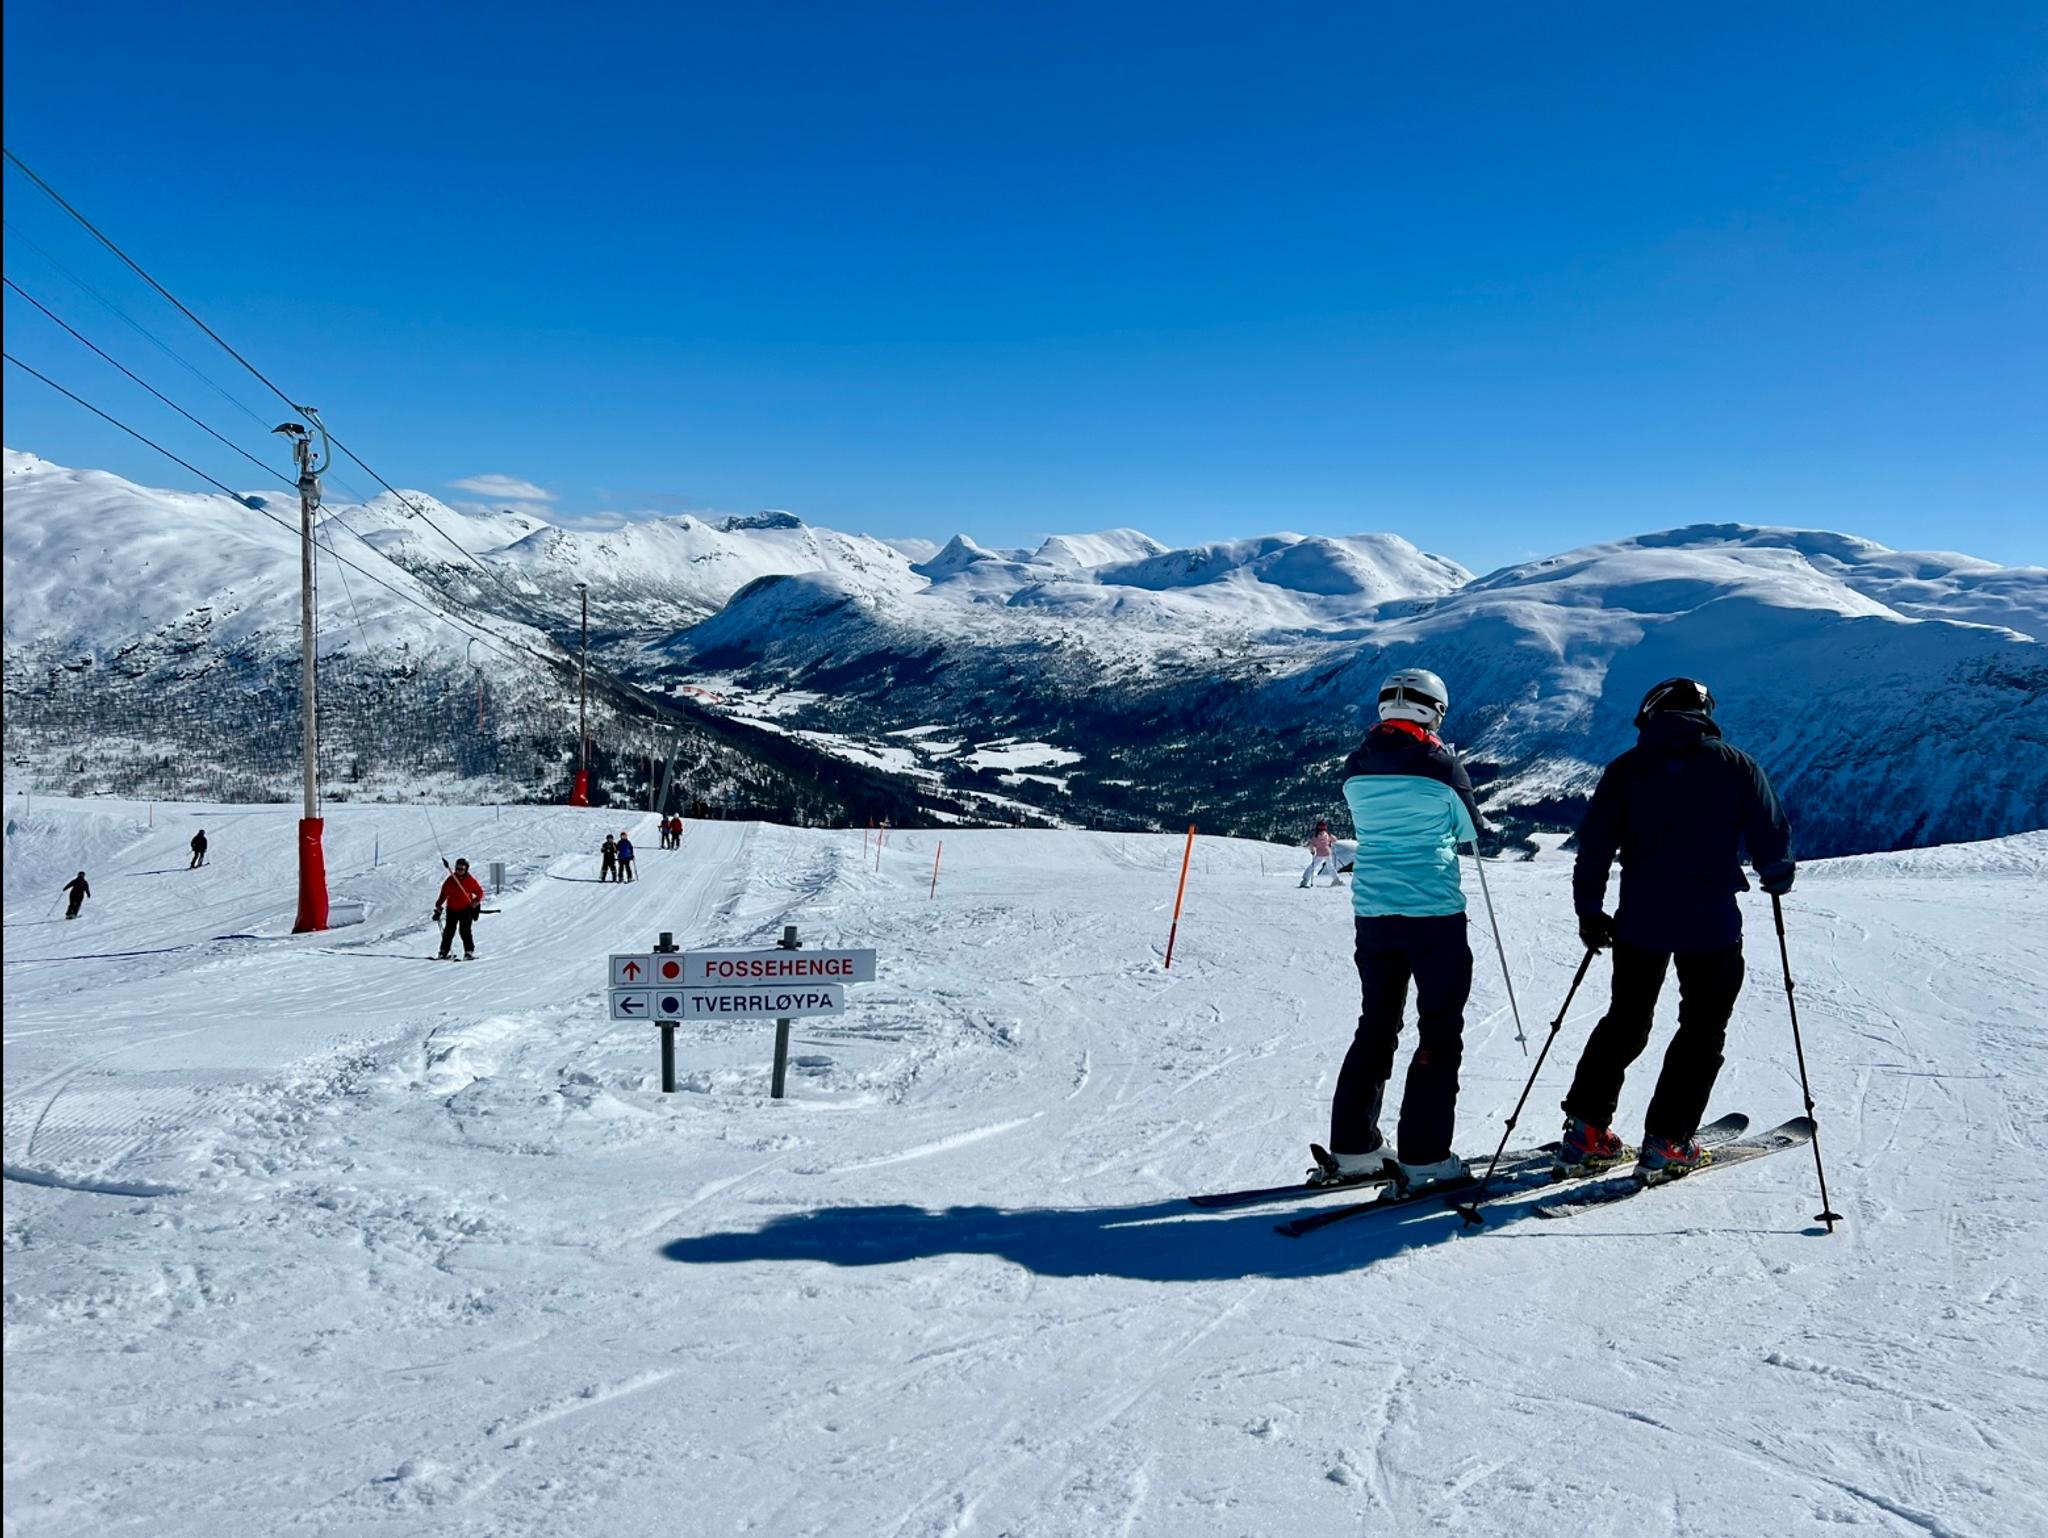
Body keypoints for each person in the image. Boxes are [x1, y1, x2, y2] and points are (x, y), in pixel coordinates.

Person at [1557, 677, 1794, 1183]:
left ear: (1651, 714)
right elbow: (1770, 832)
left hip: (1639, 922)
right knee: (1702, 1029)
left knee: (1625, 1020)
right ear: (1705, 713)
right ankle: (1667, 1141)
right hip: (1710, 924)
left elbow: (1594, 847)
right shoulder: (1737, 766)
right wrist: (1776, 874)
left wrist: (1589, 911)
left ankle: (1586, 1131)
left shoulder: (1624, 770)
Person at [1314, 668, 1483, 1194]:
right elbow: (1468, 830)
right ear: (1435, 710)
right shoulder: (1440, 764)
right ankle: (1426, 1156)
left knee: (1377, 1025)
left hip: (1374, 910)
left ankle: (1354, 1148)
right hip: (1433, 911)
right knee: (1438, 1030)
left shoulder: (1357, 764)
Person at [434, 858, 486, 960]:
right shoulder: (450, 880)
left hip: (466, 909)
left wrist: (475, 902)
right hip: (452, 909)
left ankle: (468, 952)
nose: (459, 871)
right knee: (449, 931)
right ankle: (443, 952)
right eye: (457, 868)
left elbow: (480, 892)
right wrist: (438, 905)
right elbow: (443, 894)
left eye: (462, 869)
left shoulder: (470, 881)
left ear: (466, 869)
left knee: (465, 931)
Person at [1299, 820, 1340, 888]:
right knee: (1331, 867)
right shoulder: (1328, 834)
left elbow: (1311, 845)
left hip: (1319, 854)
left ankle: (1305, 880)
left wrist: (1312, 851)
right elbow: (1335, 839)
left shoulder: (1315, 836)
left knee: (1312, 867)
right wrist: (1330, 843)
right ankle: (1336, 880)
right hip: (1327, 853)